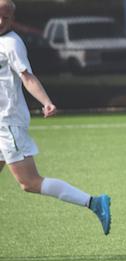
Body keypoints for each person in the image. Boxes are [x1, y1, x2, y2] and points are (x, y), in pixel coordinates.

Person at [0, 0, 111, 235]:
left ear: (13, 19)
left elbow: (27, 77)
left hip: (8, 123)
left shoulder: (11, 43)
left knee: (29, 182)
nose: (1, 21)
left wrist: (46, 101)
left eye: (6, 17)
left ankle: (94, 202)